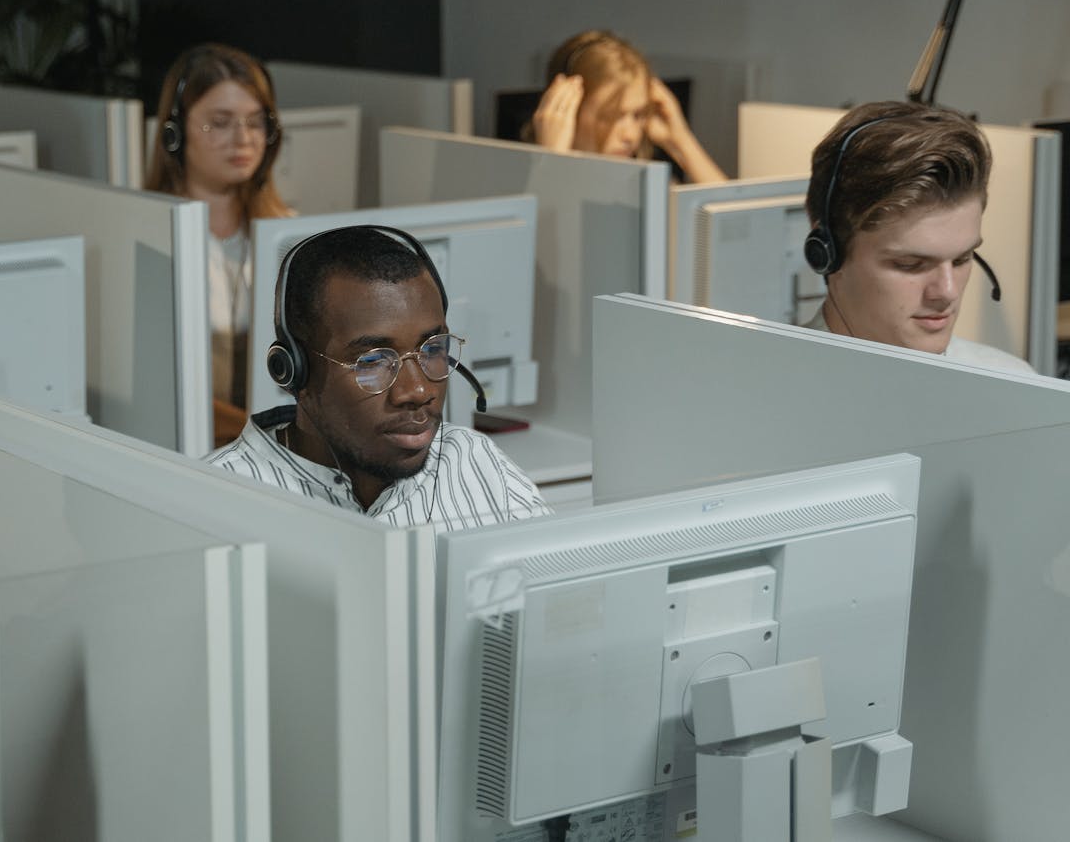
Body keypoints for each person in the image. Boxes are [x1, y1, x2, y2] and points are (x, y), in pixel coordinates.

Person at [205, 225, 552, 531]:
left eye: (432, 350)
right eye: (373, 361)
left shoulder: (475, 464)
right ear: (294, 371)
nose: (417, 390)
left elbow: (567, 595)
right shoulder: (212, 501)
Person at [802, 100, 1035, 374]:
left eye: (962, 259)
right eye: (910, 264)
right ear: (827, 254)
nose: (947, 292)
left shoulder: (1014, 383)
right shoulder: (755, 400)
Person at [145, 43, 294, 439]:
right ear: (174, 134)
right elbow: (159, 390)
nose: (243, 138)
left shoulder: (288, 234)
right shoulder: (149, 239)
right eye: (220, 122)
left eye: (255, 121)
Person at [527, 30, 726, 183]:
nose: (630, 135)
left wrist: (681, 142)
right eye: (610, 117)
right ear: (567, 109)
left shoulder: (644, 185)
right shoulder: (521, 183)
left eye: (638, 115)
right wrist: (552, 160)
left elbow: (738, 226)